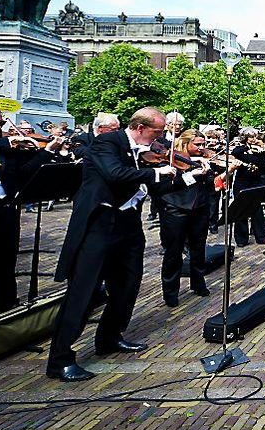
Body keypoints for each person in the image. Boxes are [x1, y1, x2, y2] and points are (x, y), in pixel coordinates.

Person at [47, 107, 179, 382]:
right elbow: (115, 174)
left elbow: (151, 188)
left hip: (128, 224)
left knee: (128, 285)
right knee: (84, 290)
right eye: (157, 131)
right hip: (100, 224)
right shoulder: (109, 142)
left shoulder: (143, 152)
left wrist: (187, 177)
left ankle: (109, 337)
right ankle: (60, 359)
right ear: (141, 128)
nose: (162, 137)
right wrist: (156, 172)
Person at [0, 105, 62, 312]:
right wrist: (7, 140)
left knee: (5, 262)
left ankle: (7, 310)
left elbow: (24, 174)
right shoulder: (1, 143)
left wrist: (47, 151)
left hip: (4, 209)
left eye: (0, 123)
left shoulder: (6, 149)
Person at [156, 130, 212, 306]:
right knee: (174, 251)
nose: (202, 148)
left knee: (198, 248)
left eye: (203, 144)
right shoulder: (172, 159)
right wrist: (193, 174)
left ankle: (198, 282)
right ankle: (170, 292)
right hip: (176, 208)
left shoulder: (201, 160)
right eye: (197, 145)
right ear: (186, 143)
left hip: (200, 207)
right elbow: (170, 186)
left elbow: (211, 184)